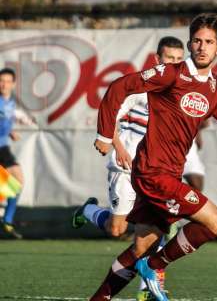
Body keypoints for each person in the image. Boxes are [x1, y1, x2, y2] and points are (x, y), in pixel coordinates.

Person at [90, 13, 217, 301]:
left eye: (209, 42)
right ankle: (154, 266)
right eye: (197, 41)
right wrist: (104, 135)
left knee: (140, 245)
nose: (202, 47)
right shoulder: (171, 74)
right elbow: (119, 87)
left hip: (169, 173)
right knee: (215, 222)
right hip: (153, 172)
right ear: (190, 44)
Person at [71, 36, 186, 301]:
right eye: (169, 59)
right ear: (157, 60)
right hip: (125, 167)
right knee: (117, 230)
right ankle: (87, 210)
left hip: (154, 172)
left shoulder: (179, 93)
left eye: (179, 60)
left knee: (156, 230)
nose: (175, 64)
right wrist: (119, 148)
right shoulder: (141, 88)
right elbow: (110, 113)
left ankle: (147, 287)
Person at [0, 68, 24, 240]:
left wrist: (10, 132)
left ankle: (7, 220)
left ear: (13, 84)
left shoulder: (10, 103)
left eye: (8, 81)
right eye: (1, 80)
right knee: (15, 181)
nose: (4, 84)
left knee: (17, 181)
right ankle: (6, 220)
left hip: (3, 148)